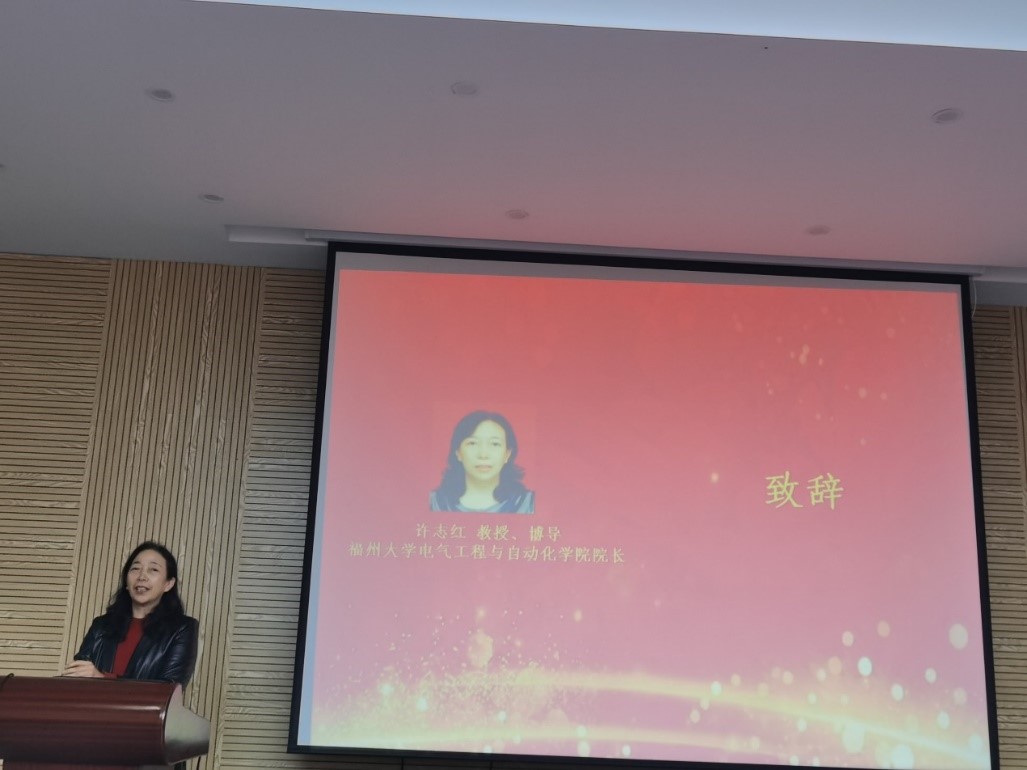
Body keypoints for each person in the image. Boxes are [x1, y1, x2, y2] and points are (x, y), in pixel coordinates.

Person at [63, 541, 198, 687]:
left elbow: (170, 688)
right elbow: (76, 678)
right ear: (126, 582)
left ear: (168, 584)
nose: (142, 576)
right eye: (135, 568)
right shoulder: (101, 626)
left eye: (153, 569)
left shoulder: (182, 628)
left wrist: (103, 678)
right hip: (93, 703)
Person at [430, 410, 535, 513]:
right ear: (458, 453)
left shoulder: (528, 503)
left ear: (507, 454)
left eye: (494, 444)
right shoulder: (435, 503)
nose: (483, 455)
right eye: (472, 443)